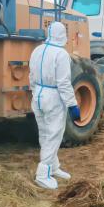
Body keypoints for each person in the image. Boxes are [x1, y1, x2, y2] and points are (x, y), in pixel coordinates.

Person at [29, 21, 80, 189]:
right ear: (62, 35)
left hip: (38, 95)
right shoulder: (61, 54)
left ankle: (54, 166)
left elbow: (31, 75)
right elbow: (63, 83)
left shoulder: (37, 50)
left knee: (45, 133)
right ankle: (43, 173)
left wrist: (35, 92)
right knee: (54, 135)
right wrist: (73, 105)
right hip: (53, 97)